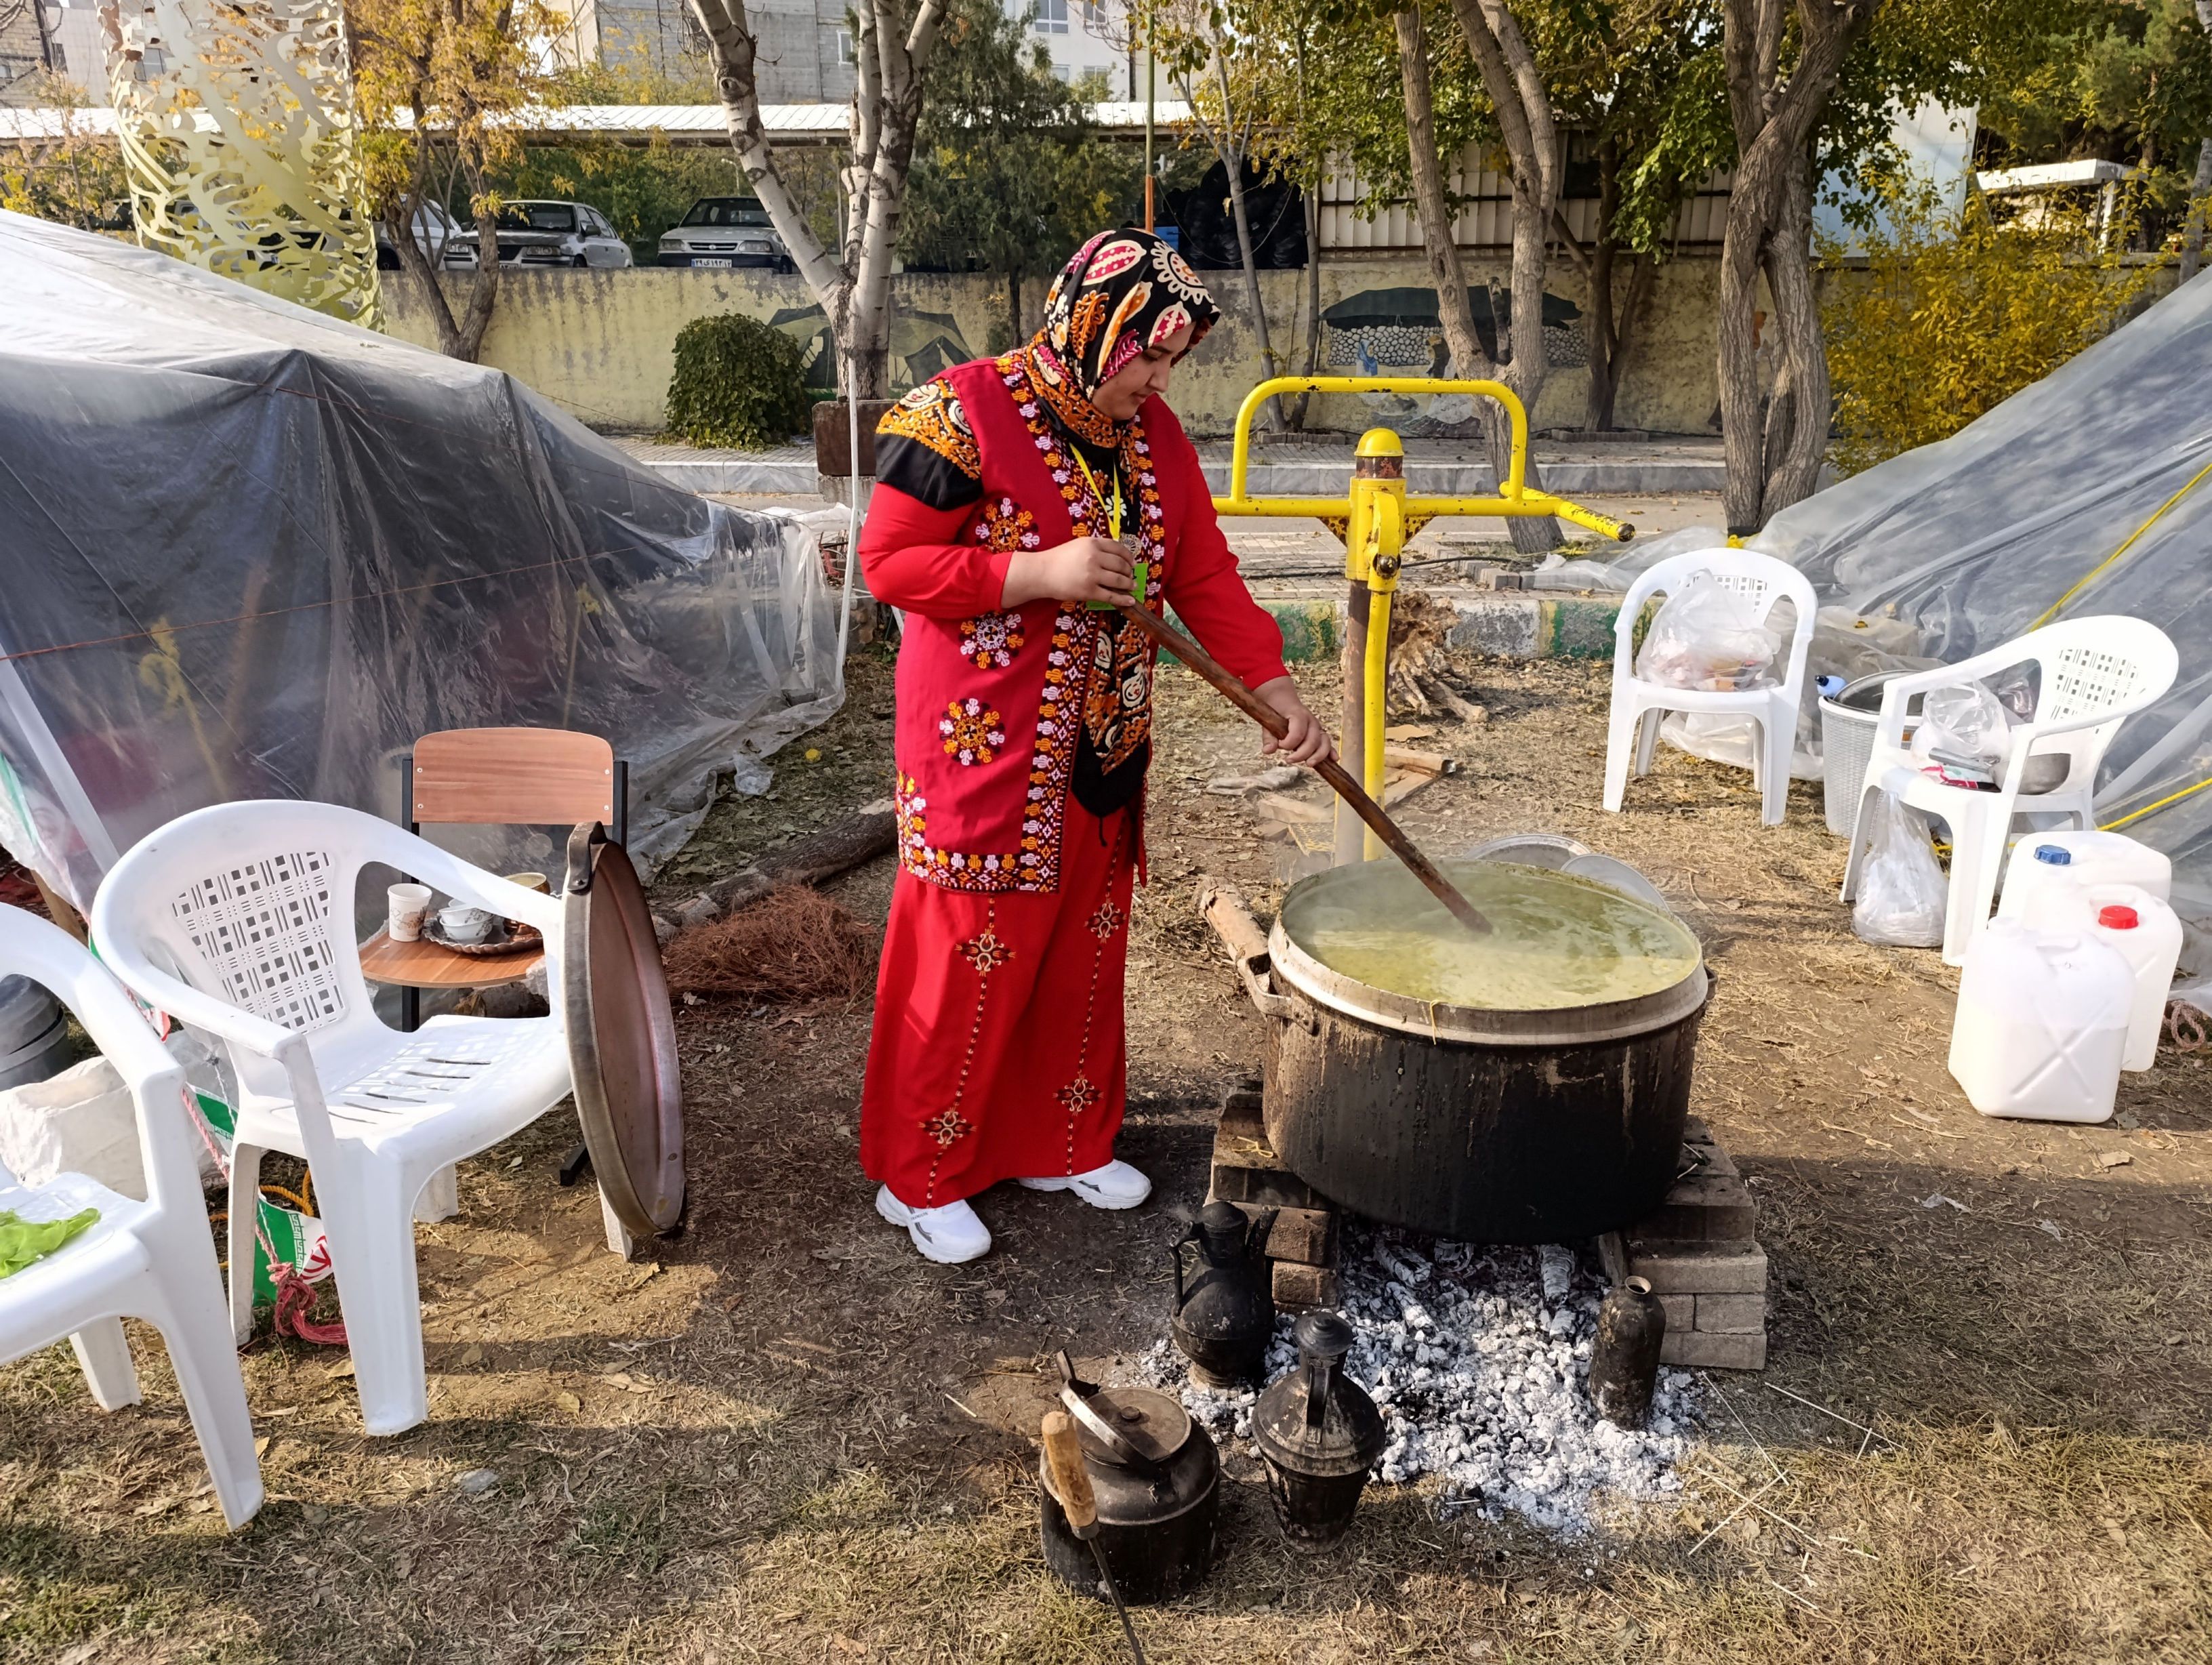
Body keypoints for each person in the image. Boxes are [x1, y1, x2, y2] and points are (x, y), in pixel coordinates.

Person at [856, 228, 1332, 1263]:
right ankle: (923, 1173)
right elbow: (888, 562)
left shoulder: (1154, 442)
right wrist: (1038, 574)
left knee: (1080, 946)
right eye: (1149, 357)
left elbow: (1203, 574)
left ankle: (1059, 1140)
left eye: (1171, 364)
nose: (1160, 382)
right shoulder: (958, 413)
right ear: (1090, 324)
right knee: (973, 954)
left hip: (1103, 745)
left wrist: (1276, 691)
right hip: (985, 747)